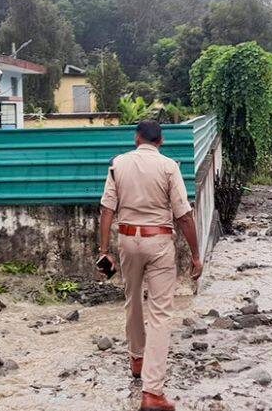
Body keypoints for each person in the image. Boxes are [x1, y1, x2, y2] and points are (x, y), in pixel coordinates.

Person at [97, 120, 203, 411]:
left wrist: (104, 250)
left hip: (128, 240)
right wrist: (196, 254)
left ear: (137, 138)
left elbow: (107, 208)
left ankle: (137, 359)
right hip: (158, 242)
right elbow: (183, 215)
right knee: (160, 313)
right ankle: (152, 392)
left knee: (132, 300)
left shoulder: (118, 164)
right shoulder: (169, 167)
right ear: (161, 140)